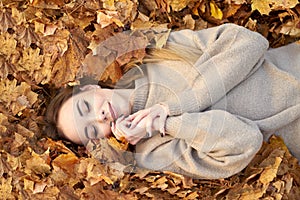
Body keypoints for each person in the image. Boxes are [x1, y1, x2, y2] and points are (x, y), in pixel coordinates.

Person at [46, 23, 300, 179]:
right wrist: (166, 124)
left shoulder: (148, 57)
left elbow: (250, 42)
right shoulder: (152, 152)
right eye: (90, 129)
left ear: (90, 88)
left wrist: (174, 106)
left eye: (85, 106)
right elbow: (246, 142)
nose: (99, 116)